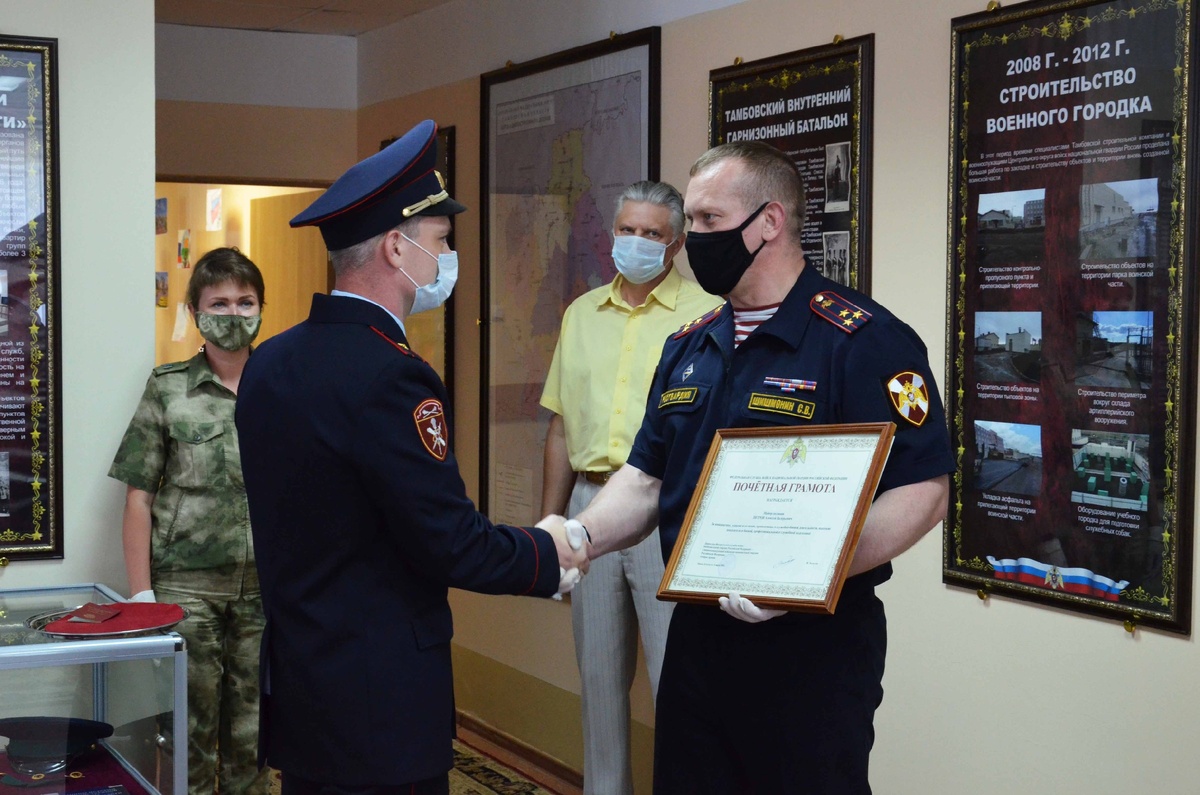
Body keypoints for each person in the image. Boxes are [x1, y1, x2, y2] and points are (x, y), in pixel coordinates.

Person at [550, 141, 953, 794]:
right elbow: (647, 478)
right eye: (693, 221)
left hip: (812, 649)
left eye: (709, 220)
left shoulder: (862, 341)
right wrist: (580, 535)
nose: (693, 238)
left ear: (769, 221)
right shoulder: (689, 346)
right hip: (698, 638)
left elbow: (924, 491)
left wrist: (798, 575)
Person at [234, 120, 585, 795]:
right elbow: (448, 540)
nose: (448, 257)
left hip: (304, 690)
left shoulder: (270, 361)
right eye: (441, 240)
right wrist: (548, 552)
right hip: (382, 705)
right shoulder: (393, 376)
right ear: (397, 248)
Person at [539, 180, 721, 794]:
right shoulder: (581, 314)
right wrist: (550, 527)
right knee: (598, 681)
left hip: (667, 507)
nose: (636, 242)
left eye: (651, 234)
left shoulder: (707, 314)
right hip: (590, 504)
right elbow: (561, 427)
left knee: (678, 681)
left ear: (676, 244)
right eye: (627, 230)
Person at [109, 247, 270, 795]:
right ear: (196, 311)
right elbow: (138, 497)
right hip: (186, 594)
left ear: (261, 308)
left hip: (265, 591)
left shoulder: (284, 385)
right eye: (219, 303)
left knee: (254, 735)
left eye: (245, 301)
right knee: (187, 734)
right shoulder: (168, 387)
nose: (233, 313)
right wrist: (142, 596)